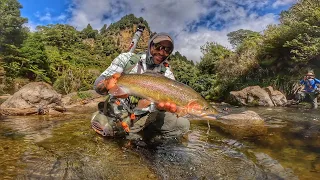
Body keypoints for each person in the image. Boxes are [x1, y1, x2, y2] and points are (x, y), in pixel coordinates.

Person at [91, 33, 190, 142]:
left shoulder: (167, 74)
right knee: (106, 128)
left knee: (182, 124)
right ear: (150, 45)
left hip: (147, 116)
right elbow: (97, 85)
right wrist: (105, 84)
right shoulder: (127, 59)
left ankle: (141, 137)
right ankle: (129, 134)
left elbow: (165, 105)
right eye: (158, 47)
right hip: (120, 110)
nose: (162, 52)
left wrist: (162, 107)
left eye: (167, 50)